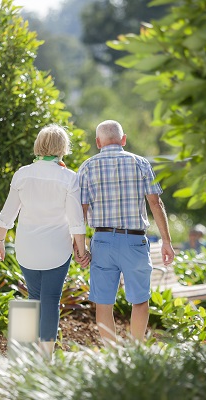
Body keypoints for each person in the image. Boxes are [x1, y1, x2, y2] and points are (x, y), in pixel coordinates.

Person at [0, 124, 90, 358]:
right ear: (62, 148)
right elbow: (76, 220)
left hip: (27, 249)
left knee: (33, 298)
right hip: (57, 249)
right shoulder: (69, 178)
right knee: (51, 300)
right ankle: (45, 357)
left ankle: (25, 354)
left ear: (38, 146)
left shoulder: (22, 174)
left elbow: (8, 214)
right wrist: (81, 249)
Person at [78, 120, 175, 344]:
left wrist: (80, 246)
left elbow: (80, 212)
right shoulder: (140, 163)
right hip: (134, 241)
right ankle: (136, 352)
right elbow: (155, 203)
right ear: (123, 139)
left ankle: (112, 357)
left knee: (103, 302)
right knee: (140, 300)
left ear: (97, 142)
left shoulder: (87, 166)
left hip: (101, 241)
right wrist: (167, 242)